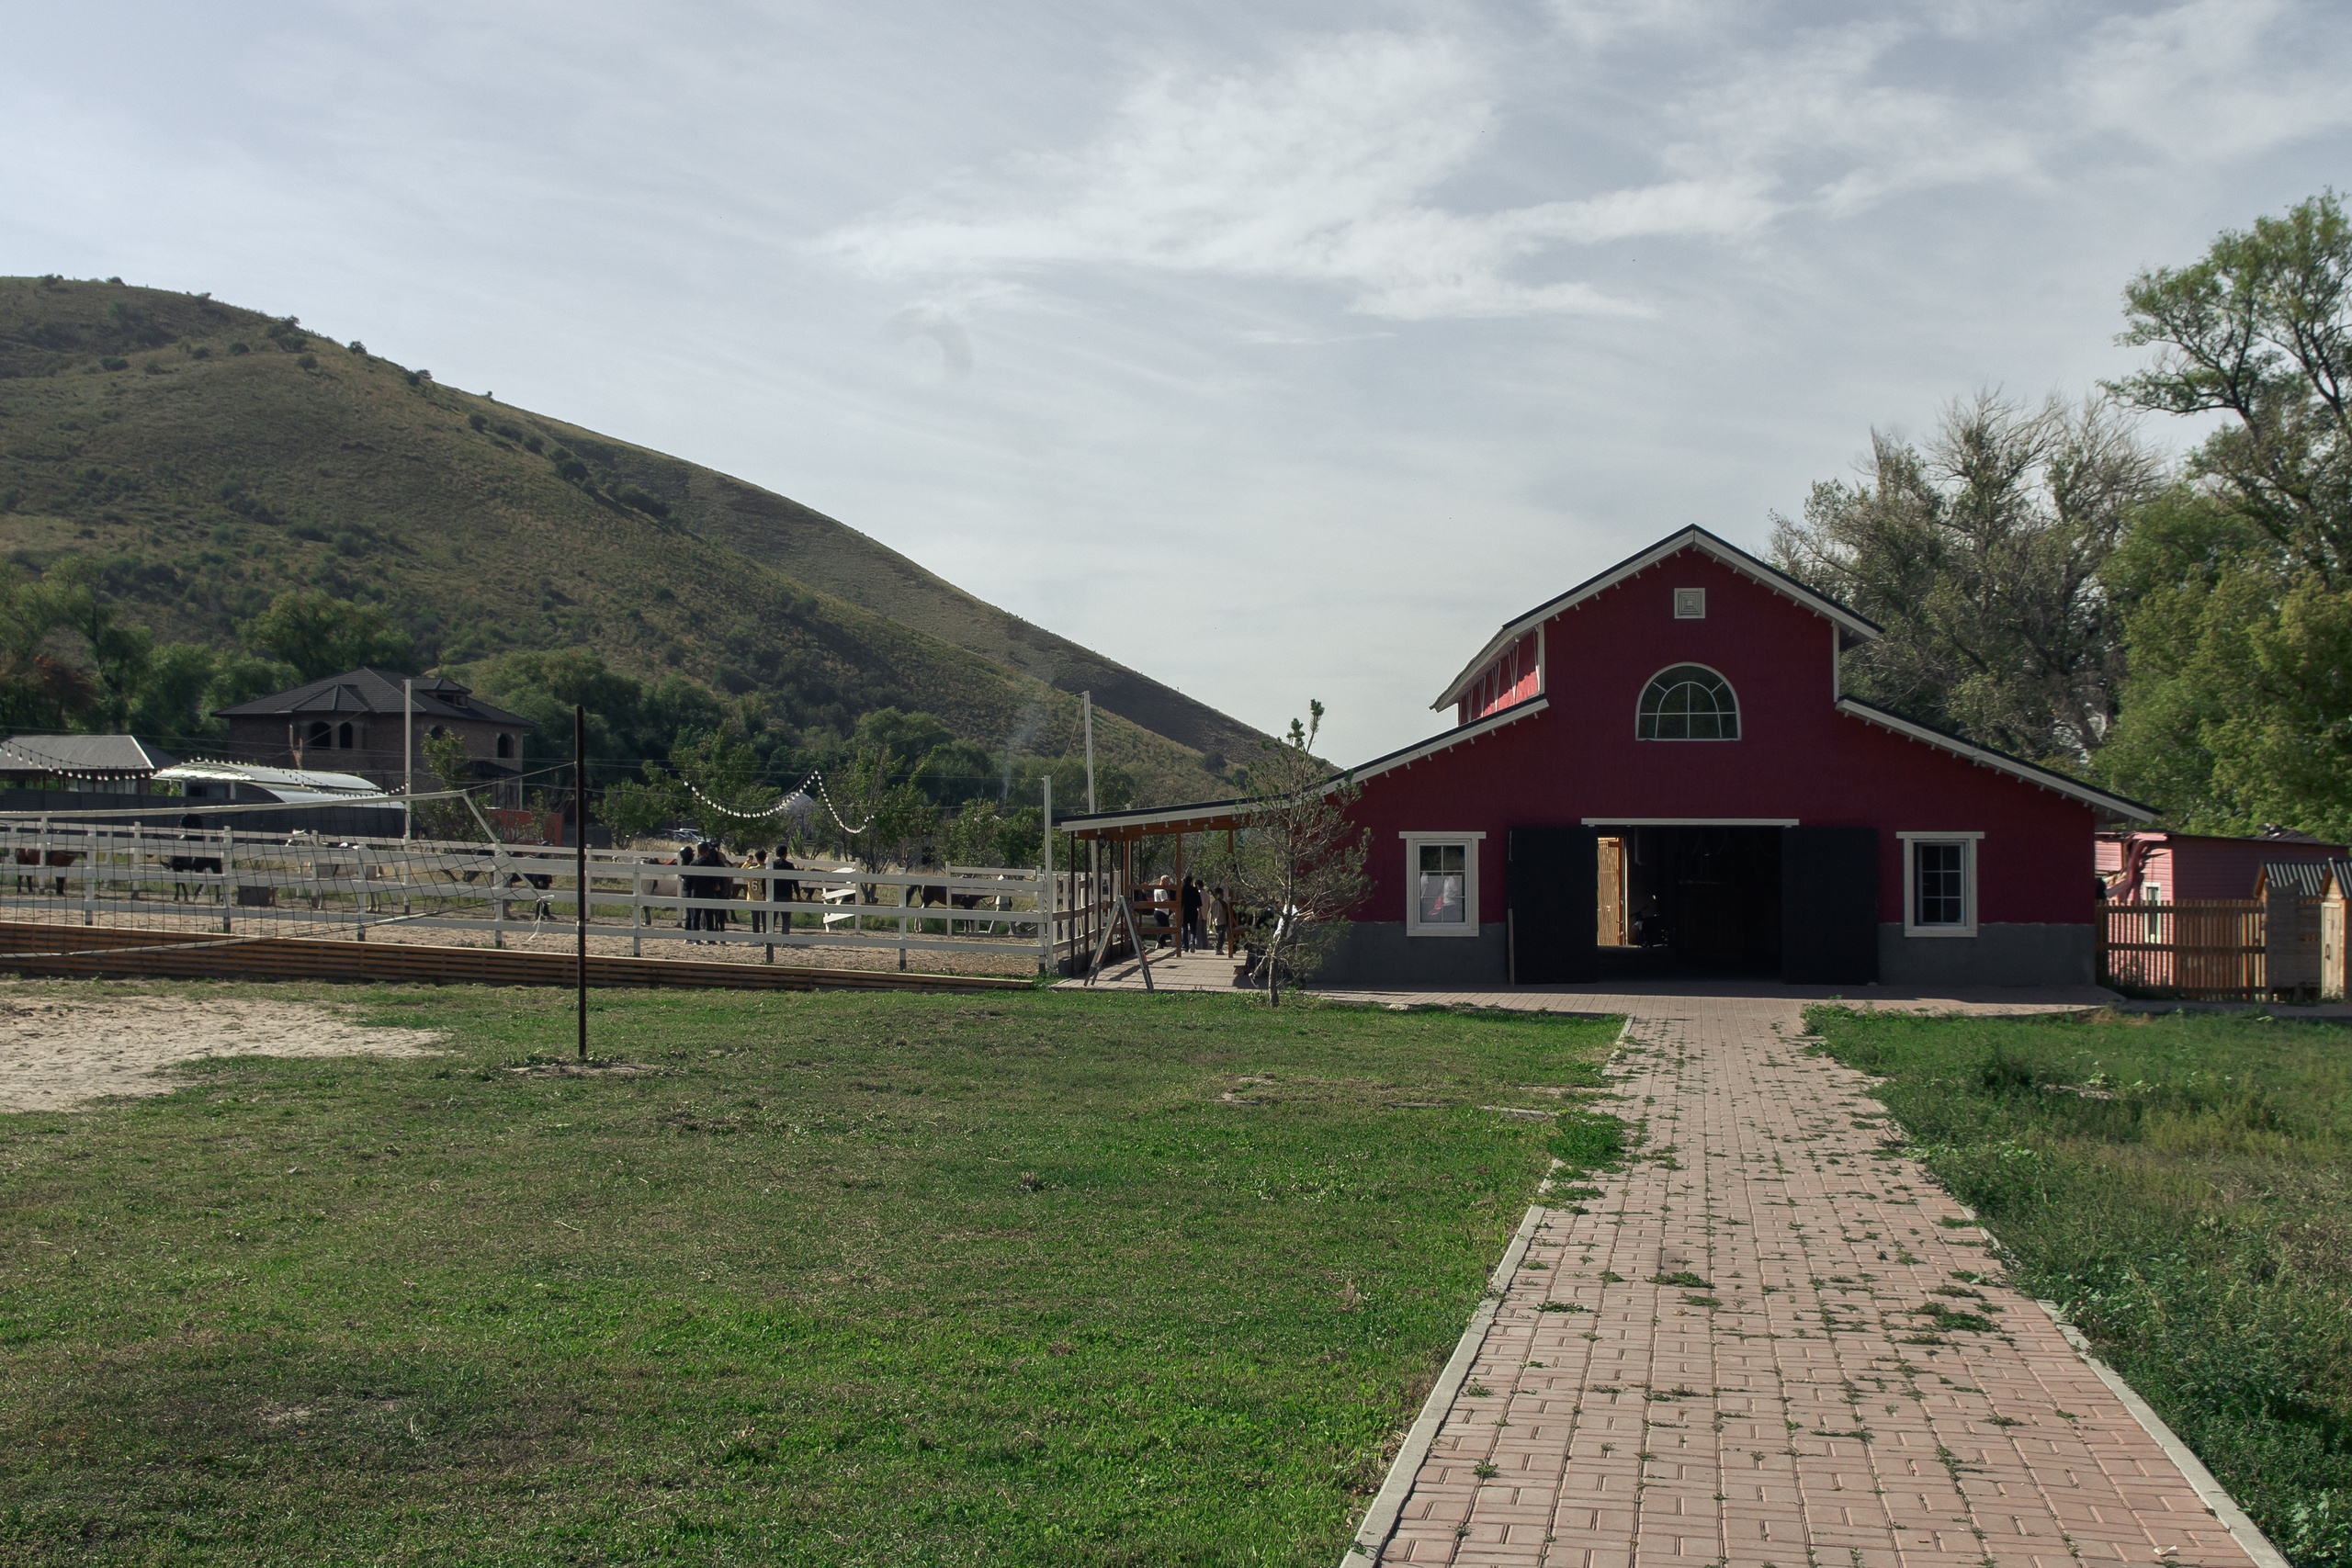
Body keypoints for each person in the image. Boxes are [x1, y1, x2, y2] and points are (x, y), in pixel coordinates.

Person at [1181, 875, 1204, 953]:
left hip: (1184, 911)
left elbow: (1179, 902)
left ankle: (1185, 946)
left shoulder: (1182, 889)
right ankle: (1192, 941)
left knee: (1184, 928)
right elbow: (1199, 903)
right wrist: (1200, 913)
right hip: (1193, 911)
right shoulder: (1194, 890)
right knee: (1193, 928)